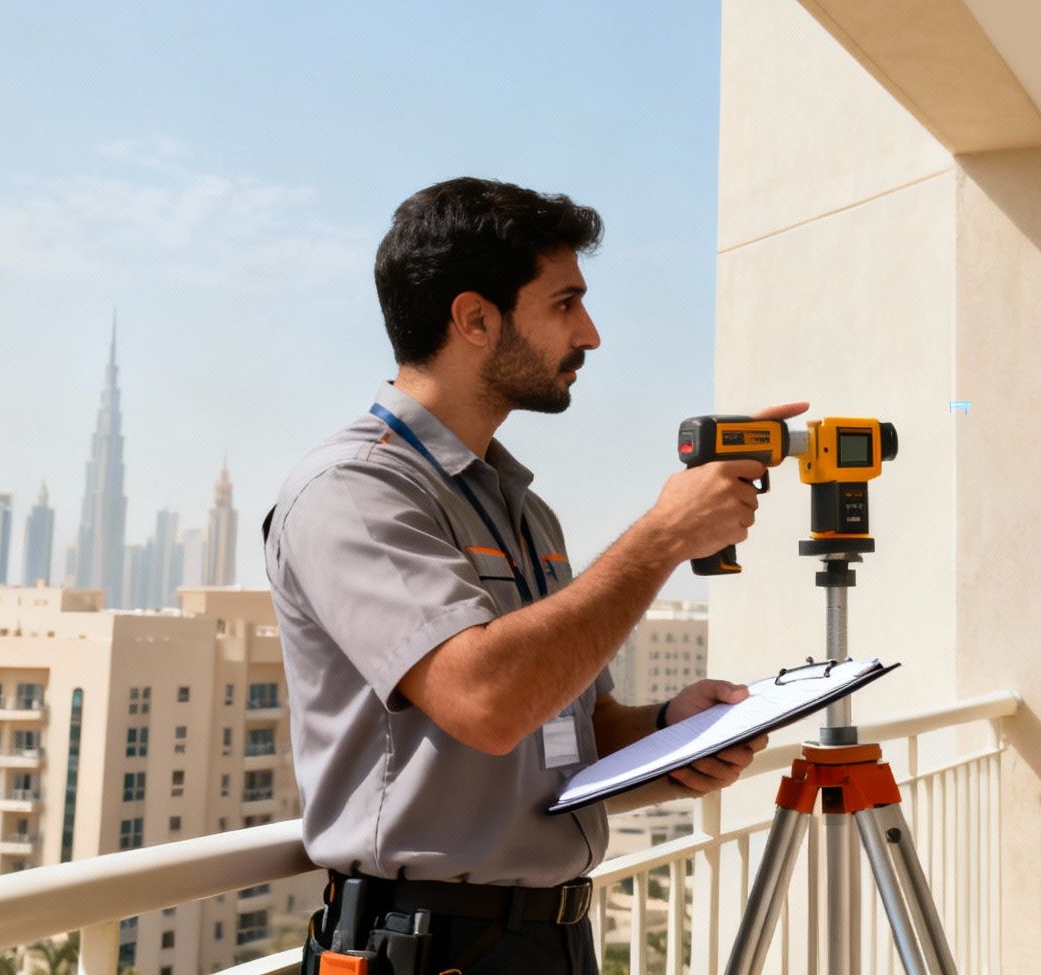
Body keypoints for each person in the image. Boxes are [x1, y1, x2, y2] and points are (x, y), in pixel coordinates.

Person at [265, 177, 796, 974]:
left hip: (552, 939)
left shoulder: (522, 512)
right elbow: (486, 701)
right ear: (475, 319)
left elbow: (564, 732)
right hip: (422, 947)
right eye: (564, 304)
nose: (591, 333)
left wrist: (669, 735)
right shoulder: (352, 490)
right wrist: (661, 538)